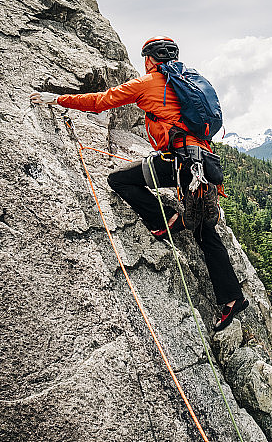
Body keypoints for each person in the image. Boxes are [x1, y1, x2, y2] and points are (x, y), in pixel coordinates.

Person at [30, 37, 248, 331]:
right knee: (205, 231)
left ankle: (168, 222)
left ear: (149, 60)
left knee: (118, 180)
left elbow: (101, 101)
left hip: (178, 163)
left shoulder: (146, 83)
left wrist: (56, 99)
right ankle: (232, 297)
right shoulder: (189, 82)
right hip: (203, 163)